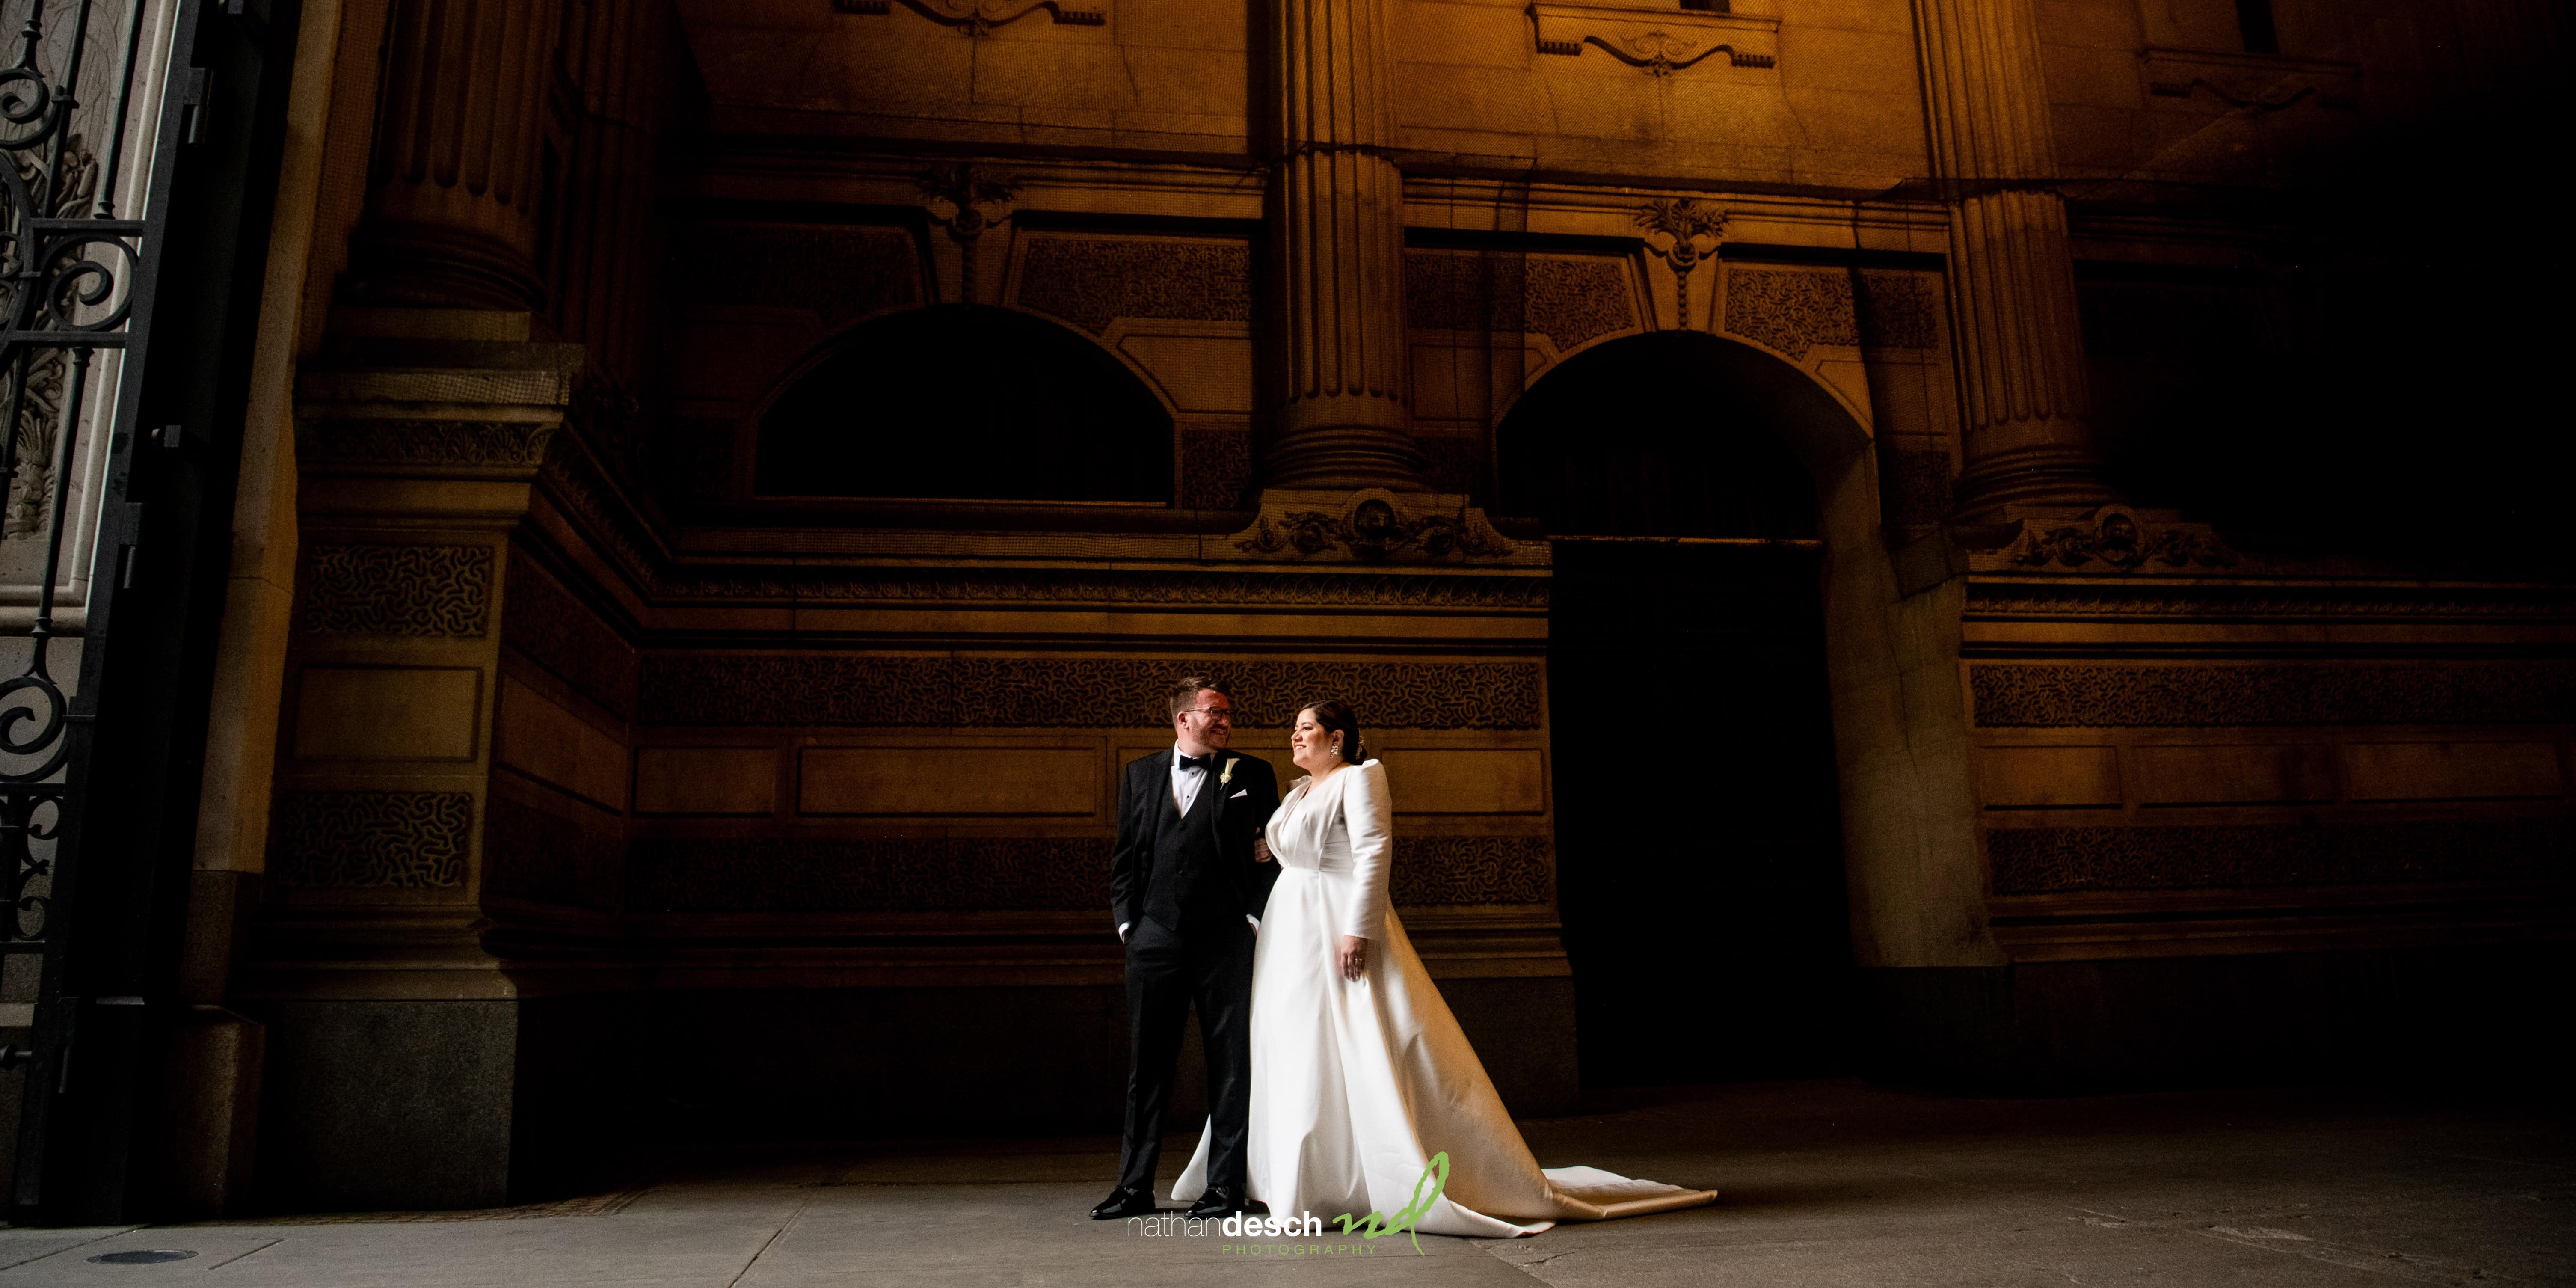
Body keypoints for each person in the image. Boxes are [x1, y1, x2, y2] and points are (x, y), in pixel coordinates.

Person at [1172, 699, 1717, 1236]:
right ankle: (1296, 1175)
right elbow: (1286, 847)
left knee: (1354, 1038)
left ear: (1336, 739)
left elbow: (1373, 852)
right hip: (1289, 930)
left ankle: (1360, 1176)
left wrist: (1357, 930)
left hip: (1334, 920)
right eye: (1295, 728)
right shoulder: (1297, 793)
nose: (1295, 736)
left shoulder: (1361, 779)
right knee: (1293, 1042)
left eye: (1306, 728)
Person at [1091, 677, 1281, 1221]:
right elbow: (1126, 857)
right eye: (1215, 713)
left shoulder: (1251, 774)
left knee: (1230, 1064)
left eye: (1228, 713)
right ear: (1183, 720)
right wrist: (1130, 924)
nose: (1226, 721)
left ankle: (1224, 1187)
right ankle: (1134, 1187)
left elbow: (1273, 852)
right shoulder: (1140, 774)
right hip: (1154, 939)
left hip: (1226, 939)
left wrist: (1252, 916)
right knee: (1147, 1066)